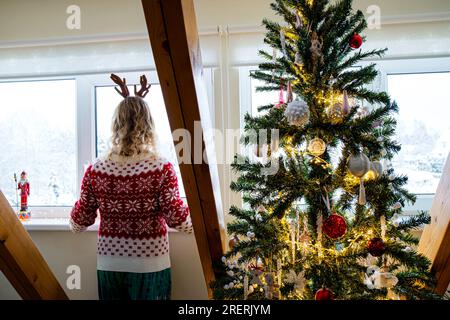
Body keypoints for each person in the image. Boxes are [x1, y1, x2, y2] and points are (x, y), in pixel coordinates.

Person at [70, 74, 193, 300]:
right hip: (150, 262)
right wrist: (201, 226)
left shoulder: (96, 169)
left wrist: (73, 220)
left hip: (109, 263)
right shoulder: (161, 167)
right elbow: (176, 216)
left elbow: (79, 222)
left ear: (116, 125)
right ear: (148, 125)